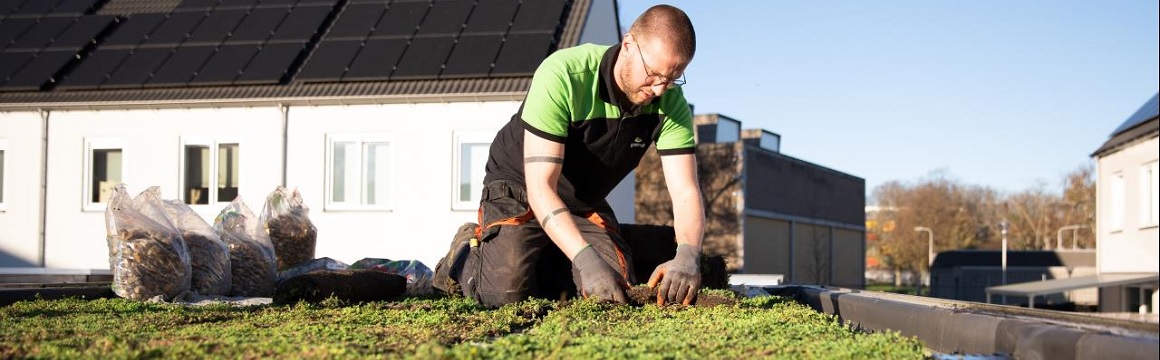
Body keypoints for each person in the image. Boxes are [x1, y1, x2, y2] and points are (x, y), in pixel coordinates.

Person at [434, 4, 704, 308]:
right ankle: (463, 257)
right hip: (520, 187)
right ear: (628, 45)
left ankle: (545, 253)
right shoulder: (563, 74)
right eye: (653, 74)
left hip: (581, 200)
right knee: (505, 296)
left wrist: (688, 254)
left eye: (672, 78)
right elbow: (541, 189)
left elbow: (685, 191)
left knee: (614, 289)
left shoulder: (670, 103)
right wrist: (586, 260)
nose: (659, 89)